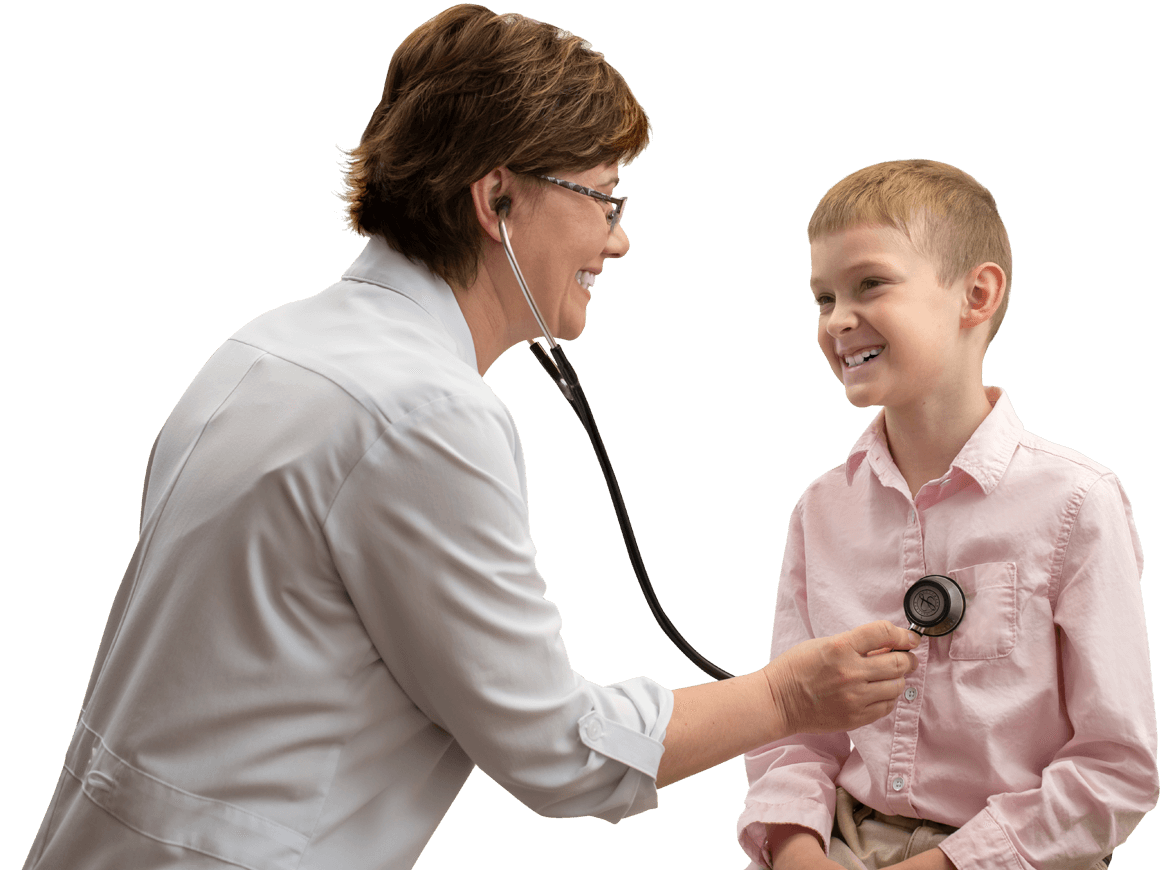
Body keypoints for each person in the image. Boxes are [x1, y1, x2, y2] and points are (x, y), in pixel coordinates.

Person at [23, 8, 920, 870]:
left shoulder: (265, 345)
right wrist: (787, 696)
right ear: (497, 196)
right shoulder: (427, 416)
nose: (620, 241)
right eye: (604, 198)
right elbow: (559, 758)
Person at [736, 159, 1157, 870]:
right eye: (821, 297)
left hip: (1008, 856)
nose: (837, 319)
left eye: (869, 284)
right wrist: (796, 849)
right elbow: (791, 729)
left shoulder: (1076, 502)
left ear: (975, 294)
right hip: (834, 844)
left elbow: (1112, 770)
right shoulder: (820, 509)